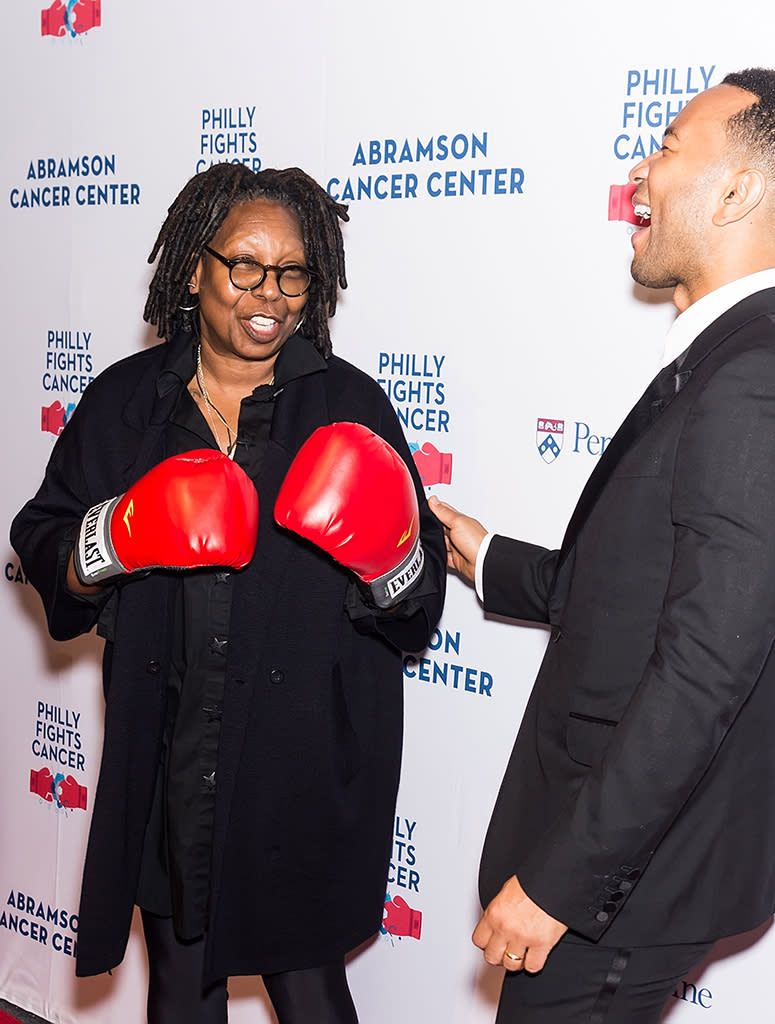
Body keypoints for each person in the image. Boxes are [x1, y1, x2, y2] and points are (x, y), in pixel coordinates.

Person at [431, 68, 775, 1023]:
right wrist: (487, 554)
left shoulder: (763, 387)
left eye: (667, 145)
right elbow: (643, 592)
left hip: (623, 885)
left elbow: (702, 672)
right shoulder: (733, 364)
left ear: (737, 190)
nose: (640, 167)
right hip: (623, 867)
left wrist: (561, 884)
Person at [11, 163, 446, 1024]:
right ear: (194, 268)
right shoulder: (126, 403)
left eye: (293, 272)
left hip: (301, 763)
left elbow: (416, 596)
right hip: (171, 756)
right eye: (245, 265)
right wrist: (114, 537)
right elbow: (44, 541)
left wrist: (389, 554)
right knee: (179, 991)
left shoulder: (349, 405)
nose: (271, 294)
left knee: (312, 992)